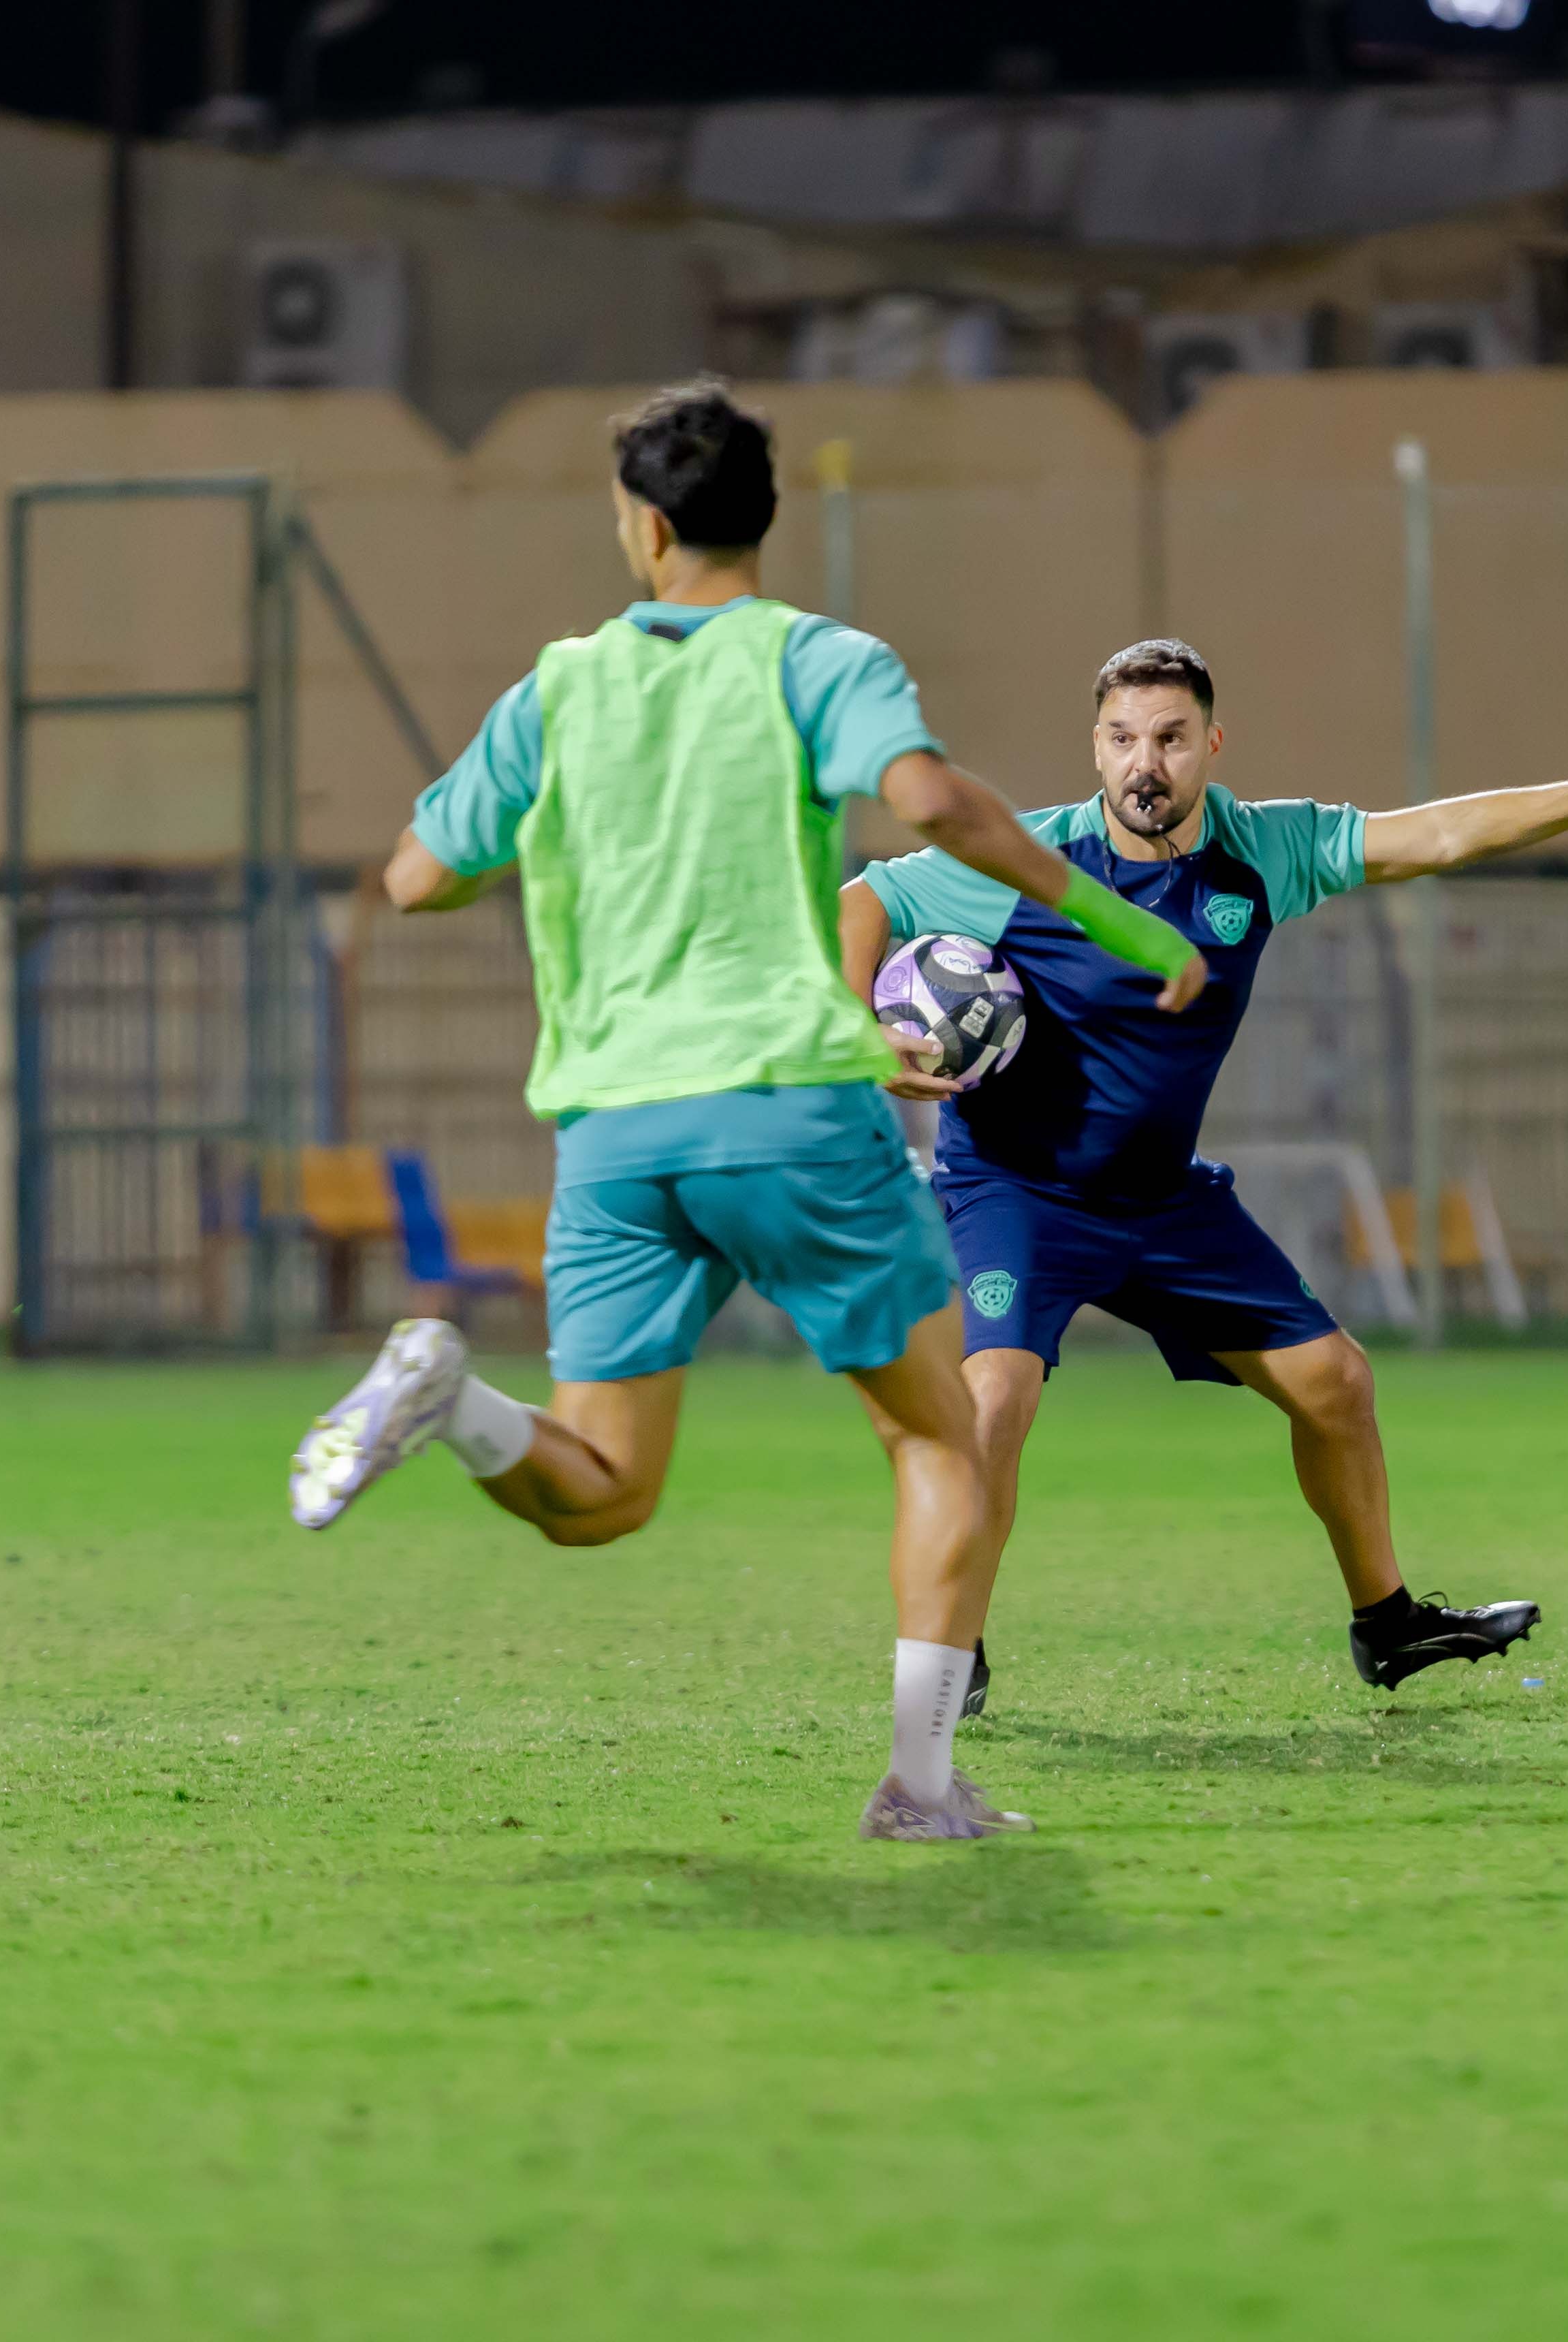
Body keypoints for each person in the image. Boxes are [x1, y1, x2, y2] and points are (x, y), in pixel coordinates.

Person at [285, 384, 1206, 1842]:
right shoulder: (817, 659)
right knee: (940, 1442)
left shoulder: (558, 690)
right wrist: (1123, 920)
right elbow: (931, 802)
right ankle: (918, 1787)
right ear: (760, 520)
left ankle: (450, 1397)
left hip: (613, 1130)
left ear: (643, 527)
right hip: (787, 1111)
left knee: (603, 1490)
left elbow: (416, 878)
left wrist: (539, 841)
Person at [839, 638, 1568, 1709]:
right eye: (1122, 739)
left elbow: (1435, 834)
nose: (1145, 763)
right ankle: (952, 1654)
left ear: (1213, 743)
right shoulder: (1030, 862)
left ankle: (1388, 1626)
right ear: (1095, 748)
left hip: (1160, 1201)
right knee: (994, 1397)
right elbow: (866, 898)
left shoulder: (1262, 851)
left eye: (1170, 738)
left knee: (1338, 1384)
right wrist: (856, 1026)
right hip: (1015, 1192)